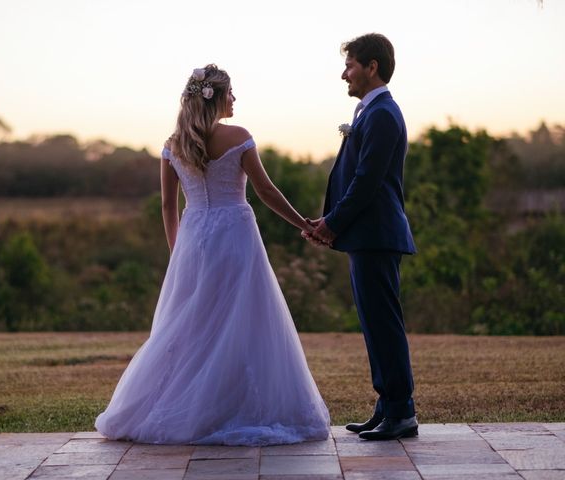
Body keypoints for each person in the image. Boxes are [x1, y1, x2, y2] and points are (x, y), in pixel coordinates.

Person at [95, 64, 330, 446]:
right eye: (231, 92)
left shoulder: (174, 145)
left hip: (193, 238)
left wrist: (178, 254)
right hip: (236, 235)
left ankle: (190, 405)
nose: (235, 99)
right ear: (216, 97)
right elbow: (267, 192)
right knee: (242, 320)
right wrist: (303, 223)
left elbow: (169, 208)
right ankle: (232, 406)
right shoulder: (239, 137)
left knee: (192, 325)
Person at [305, 33, 418, 440]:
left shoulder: (383, 114)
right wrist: (331, 221)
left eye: (350, 65)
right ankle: (387, 405)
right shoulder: (367, 113)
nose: (344, 74)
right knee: (374, 324)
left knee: (384, 324)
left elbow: (366, 182)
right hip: (366, 235)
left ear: (372, 67)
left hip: (377, 235)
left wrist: (332, 223)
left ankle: (402, 412)